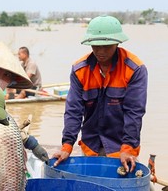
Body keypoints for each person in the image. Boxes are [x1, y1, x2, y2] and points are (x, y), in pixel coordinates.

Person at [52, 15, 148, 174]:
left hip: (121, 148)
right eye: (96, 46)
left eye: (107, 46)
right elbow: (74, 111)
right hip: (91, 146)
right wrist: (67, 145)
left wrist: (128, 148)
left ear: (117, 43)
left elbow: (134, 112)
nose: (101, 51)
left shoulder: (134, 69)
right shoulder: (79, 70)